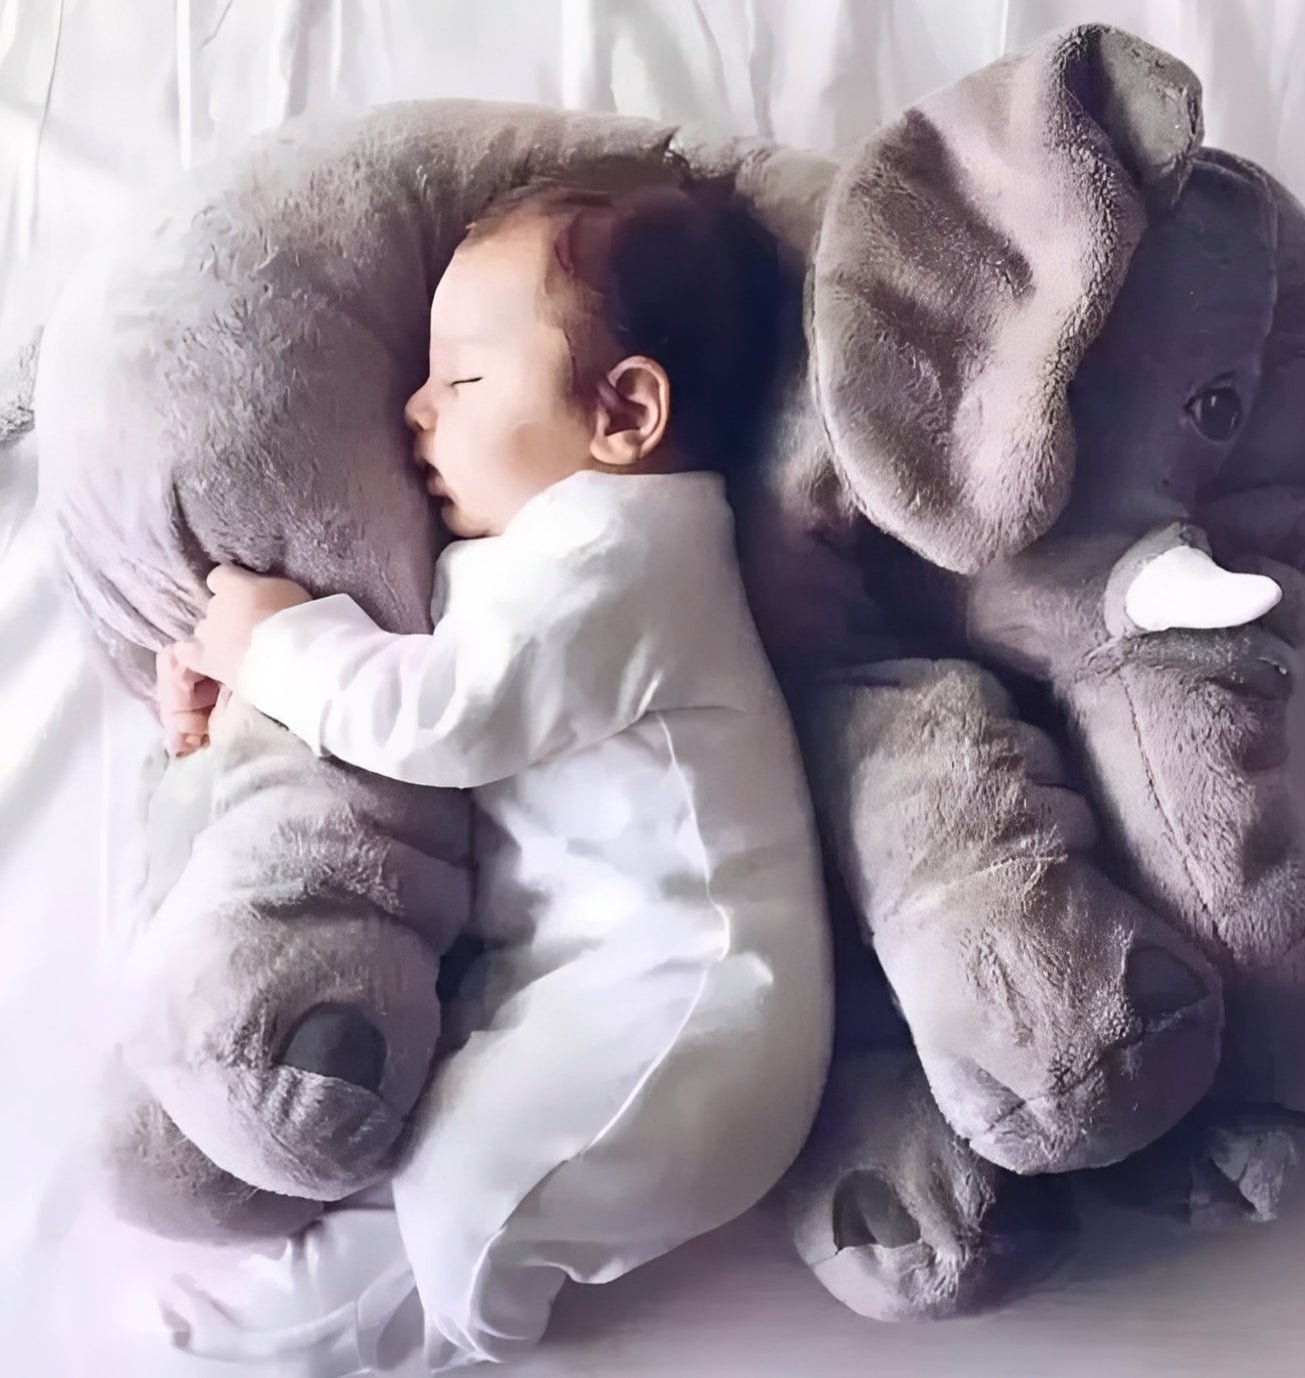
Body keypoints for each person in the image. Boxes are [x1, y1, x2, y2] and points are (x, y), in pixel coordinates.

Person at [154, 179, 833, 1367]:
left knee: (472, 1190)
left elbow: (442, 715)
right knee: (429, 1154)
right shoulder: (544, 552)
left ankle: (462, 1337)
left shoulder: (628, 546)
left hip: (691, 1008)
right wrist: (241, 716)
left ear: (625, 411)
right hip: (581, 988)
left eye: (462, 380)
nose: (414, 409)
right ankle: (264, 1332)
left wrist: (275, 639)